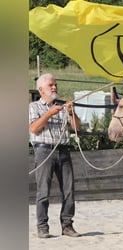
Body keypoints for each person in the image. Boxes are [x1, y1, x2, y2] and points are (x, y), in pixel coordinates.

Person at [29, 73, 81, 238]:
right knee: (43, 191)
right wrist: (49, 114)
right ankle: (42, 227)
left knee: (68, 190)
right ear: (41, 89)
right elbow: (34, 128)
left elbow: (77, 127)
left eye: (55, 85)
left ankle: (67, 225)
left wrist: (72, 113)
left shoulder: (63, 105)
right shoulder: (34, 107)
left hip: (64, 150)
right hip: (44, 151)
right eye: (51, 85)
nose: (54, 87)